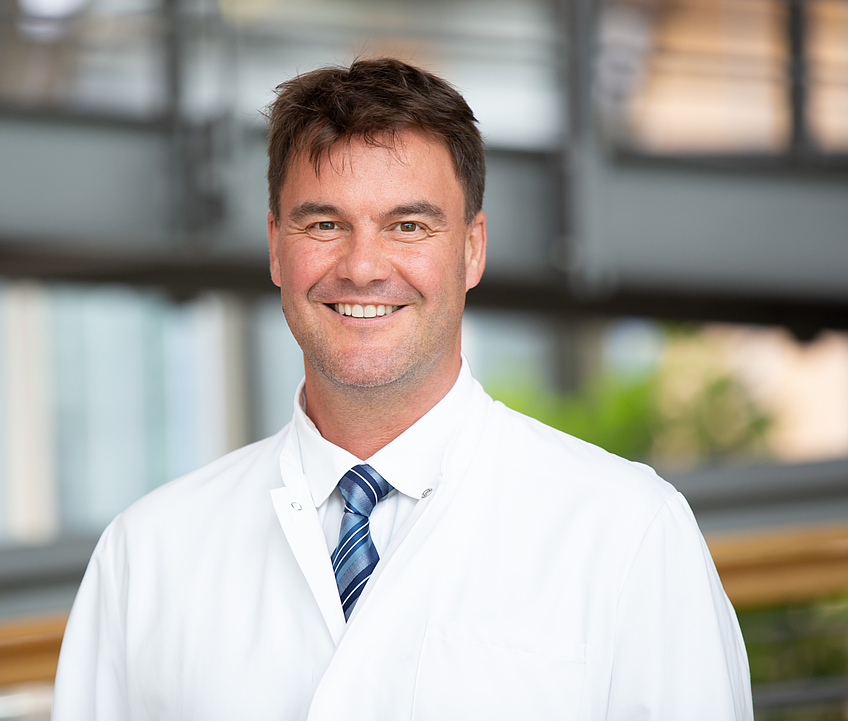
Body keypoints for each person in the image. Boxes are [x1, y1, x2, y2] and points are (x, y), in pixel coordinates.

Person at [52, 58, 753, 720]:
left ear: (472, 249)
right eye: (324, 224)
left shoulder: (628, 532)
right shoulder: (147, 556)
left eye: (408, 226)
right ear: (275, 248)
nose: (362, 266)